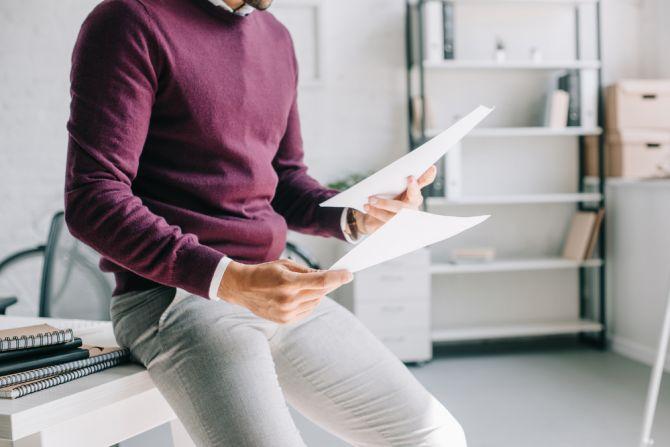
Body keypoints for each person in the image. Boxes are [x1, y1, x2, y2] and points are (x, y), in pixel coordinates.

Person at [64, 0, 467, 445]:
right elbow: (93, 197)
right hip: (176, 297)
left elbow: (286, 180)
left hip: (281, 287)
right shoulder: (129, 20)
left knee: (434, 434)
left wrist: (359, 214)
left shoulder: (275, 36)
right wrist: (230, 280)